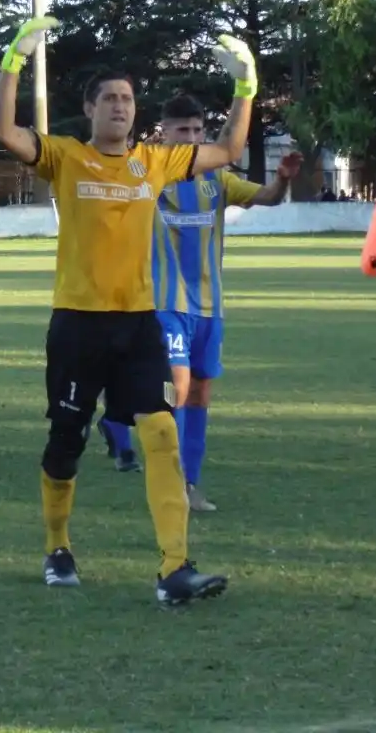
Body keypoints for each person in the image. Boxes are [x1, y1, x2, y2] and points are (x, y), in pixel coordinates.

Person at [0, 16, 256, 605]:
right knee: (67, 440)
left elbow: (232, 149)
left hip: (140, 324)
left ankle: (175, 568)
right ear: (88, 108)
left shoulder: (156, 161)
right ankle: (58, 547)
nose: (120, 106)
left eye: (127, 98)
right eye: (108, 97)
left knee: (161, 431)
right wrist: (14, 59)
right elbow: (2, 129)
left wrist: (246, 86)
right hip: (78, 324)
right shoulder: (63, 156)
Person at [97, 93, 301, 511]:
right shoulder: (147, 173)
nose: (191, 137)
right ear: (164, 132)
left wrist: (282, 179)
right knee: (180, 386)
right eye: (181, 130)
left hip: (210, 307)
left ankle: (185, 477)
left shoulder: (217, 180)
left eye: (196, 130)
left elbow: (267, 197)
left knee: (201, 392)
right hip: (164, 302)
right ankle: (171, 482)